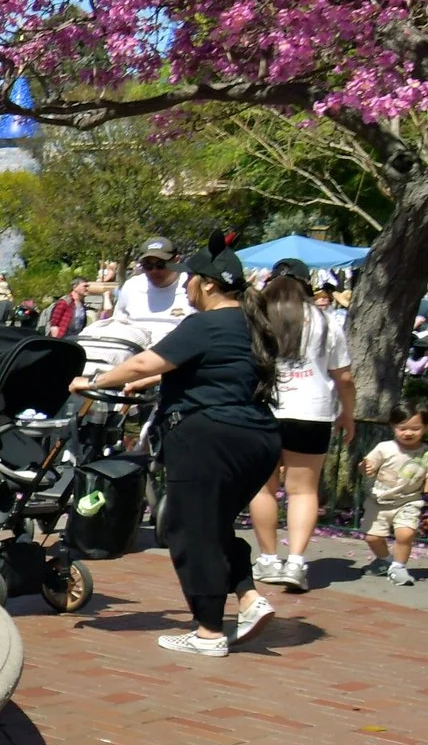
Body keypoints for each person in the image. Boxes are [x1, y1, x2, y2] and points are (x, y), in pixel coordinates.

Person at [74, 246, 298, 657]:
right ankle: (248, 598)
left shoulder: (206, 322)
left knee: (187, 528)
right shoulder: (250, 322)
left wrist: (93, 380)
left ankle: (209, 631)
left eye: (190, 277)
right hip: (258, 437)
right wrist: (152, 383)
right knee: (211, 525)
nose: (186, 285)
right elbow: (212, 371)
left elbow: (143, 362)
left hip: (209, 438)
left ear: (208, 284)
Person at [249, 259, 353, 592]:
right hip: (312, 411)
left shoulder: (257, 317)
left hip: (265, 408)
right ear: (307, 285)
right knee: (303, 490)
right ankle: (295, 562)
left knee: (263, 487)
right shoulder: (326, 320)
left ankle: (267, 558)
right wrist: (347, 413)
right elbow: (345, 377)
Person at [358, 407, 425, 585]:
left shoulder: (425, 452)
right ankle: (385, 561)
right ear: (393, 426)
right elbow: (366, 465)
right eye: (402, 428)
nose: (408, 433)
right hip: (378, 501)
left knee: (405, 534)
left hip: (409, 501)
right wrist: (366, 468)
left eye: (415, 428)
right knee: (372, 537)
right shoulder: (385, 448)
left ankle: (399, 567)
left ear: (425, 428)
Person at [114, 237, 190, 329]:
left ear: (176, 260)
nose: (154, 271)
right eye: (148, 266)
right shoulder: (132, 286)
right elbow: (118, 323)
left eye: (161, 265)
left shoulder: (191, 285)